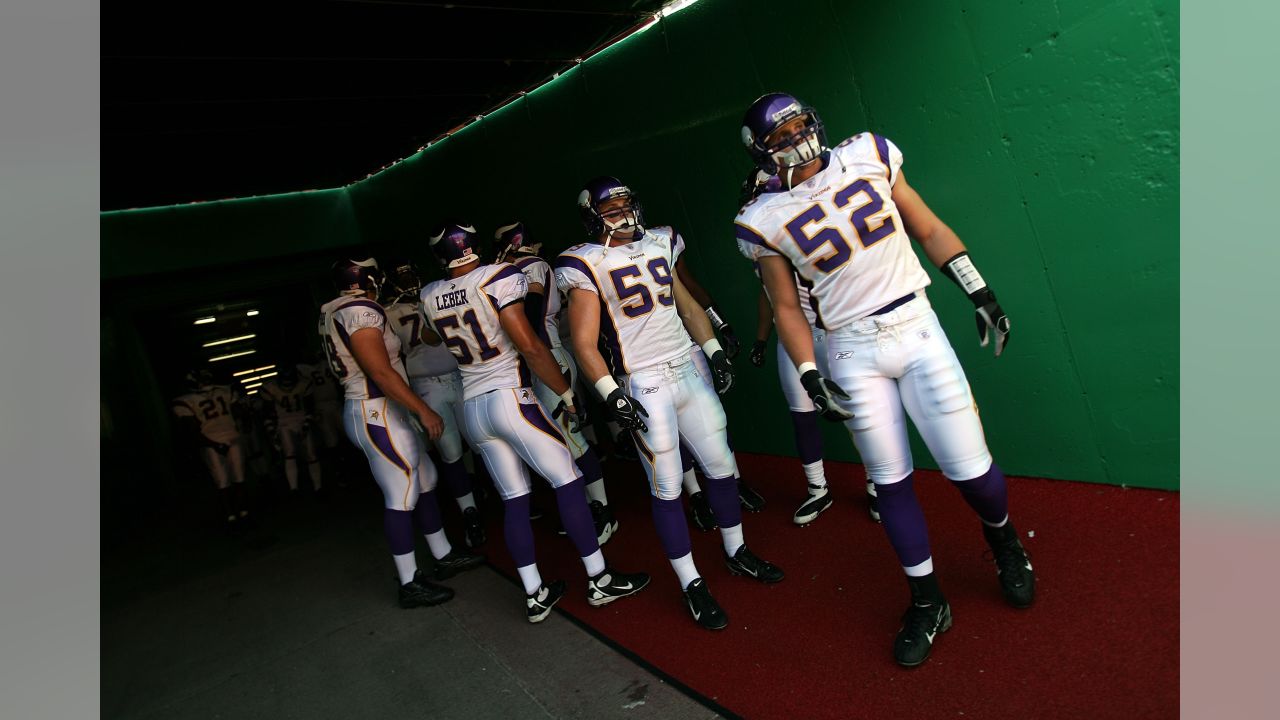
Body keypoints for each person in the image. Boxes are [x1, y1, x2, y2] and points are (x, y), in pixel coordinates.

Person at [736, 92, 1033, 666]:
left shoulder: (869, 154)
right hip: (848, 350)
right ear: (761, 153)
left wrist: (979, 290)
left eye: (801, 123)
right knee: (889, 481)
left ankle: (1004, 540)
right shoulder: (759, 219)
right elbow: (787, 308)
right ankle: (926, 599)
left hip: (916, 329)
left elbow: (927, 225)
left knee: (974, 473)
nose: (797, 136)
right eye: (781, 134)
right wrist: (807, 372)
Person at [556, 177, 784, 631]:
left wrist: (715, 352)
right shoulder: (583, 262)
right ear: (591, 216)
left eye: (626, 203)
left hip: (685, 366)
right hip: (643, 382)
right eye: (611, 207)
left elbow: (685, 302)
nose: (623, 213)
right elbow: (584, 343)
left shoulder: (662, 239)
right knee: (666, 486)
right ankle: (691, 582)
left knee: (720, 465)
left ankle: (736, 550)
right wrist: (612, 394)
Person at [420, 221, 650, 623]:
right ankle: (598, 577)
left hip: (473, 404)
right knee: (569, 480)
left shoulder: (429, 294)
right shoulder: (498, 277)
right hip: (510, 396)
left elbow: (428, 338)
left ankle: (534, 592)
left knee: (514, 500)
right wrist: (564, 391)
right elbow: (529, 344)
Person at [319, 256, 484, 609]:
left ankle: (442, 555)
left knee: (425, 478)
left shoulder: (337, 309)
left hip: (383, 409)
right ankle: (409, 582)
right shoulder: (360, 310)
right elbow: (379, 371)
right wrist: (422, 410)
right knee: (402, 494)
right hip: (375, 408)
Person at [741, 169, 879, 526]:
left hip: (833, 333)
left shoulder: (815, 225)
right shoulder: (761, 238)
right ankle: (818, 489)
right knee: (802, 416)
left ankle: (878, 482)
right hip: (793, 339)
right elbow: (770, 296)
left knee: (858, 412)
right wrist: (761, 338)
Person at [494, 222, 617, 544]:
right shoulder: (517, 268)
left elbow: (531, 317)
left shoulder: (529, 267)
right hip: (541, 361)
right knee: (561, 442)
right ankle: (590, 505)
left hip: (548, 359)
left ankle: (602, 510)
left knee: (572, 441)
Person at [383, 259, 486, 548]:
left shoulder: (435, 296)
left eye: (409, 276)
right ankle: (470, 514)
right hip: (427, 385)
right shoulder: (388, 315)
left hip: (462, 375)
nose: (407, 284)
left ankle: (498, 497)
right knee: (451, 451)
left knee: (483, 441)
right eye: (400, 279)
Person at [171, 368, 251, 526]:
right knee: (226, 482)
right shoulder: (224, 391)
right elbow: (191, 430)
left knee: (232, 480)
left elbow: (191, 430)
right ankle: (233, 515)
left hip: (219, 440)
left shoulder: (192, 399)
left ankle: (239, 513)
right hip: (217, 441)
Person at [258, 364, 323, 496]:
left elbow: (310, 406)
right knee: (289, 453)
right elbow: (268, 412)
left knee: (311, 453)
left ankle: (318, 487)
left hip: (301, 418)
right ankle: (294, 488)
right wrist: (272, 432)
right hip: (284, 422)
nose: (288, 385)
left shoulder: (304, 384)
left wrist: (306, 424)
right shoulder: (270, 388)